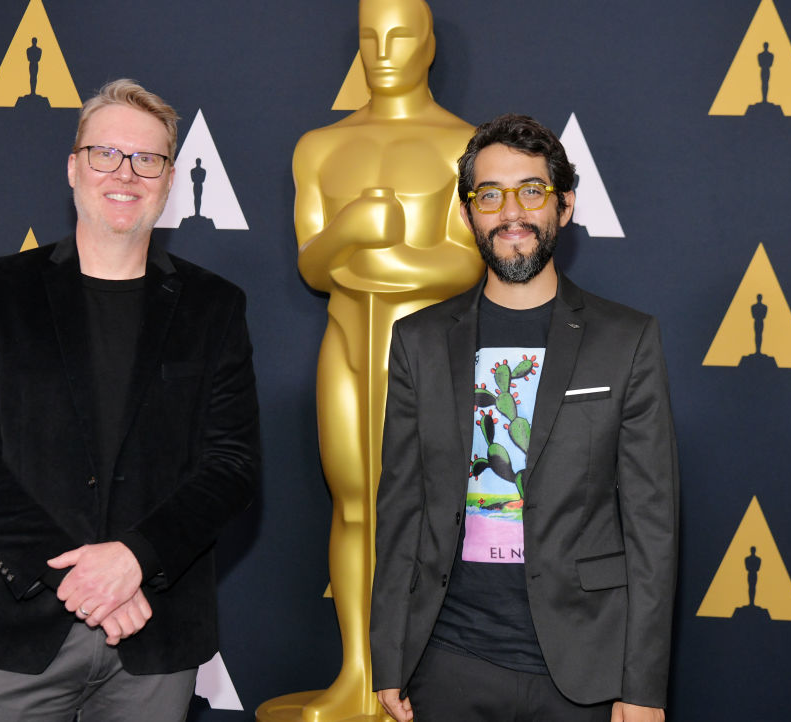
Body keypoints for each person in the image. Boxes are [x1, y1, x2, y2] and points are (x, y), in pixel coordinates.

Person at [0, 79, 259, 721]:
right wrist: (78, 578)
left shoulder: (215, 306)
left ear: (168, 182)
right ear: (74, 167)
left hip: (155, 641)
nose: (126, 173)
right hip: (13, 629)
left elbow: (233, 465)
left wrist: (136, 557)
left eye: (148, 159)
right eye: (106, 153)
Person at [370, 114, 679, 722]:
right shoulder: (419, 342)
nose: (511, 212)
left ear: (564, 206)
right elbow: (400, 510)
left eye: (531, 190)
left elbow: (653, 528)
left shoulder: (627, 339)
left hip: (584, 670)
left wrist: (642, 685)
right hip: (447, 662)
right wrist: (389, 656)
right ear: (467, 214)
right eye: (490, 194)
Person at [289, 0, 482, 716]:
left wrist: (383, 254)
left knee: (430, 515)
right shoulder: (318, 147)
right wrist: (352, 229)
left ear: (429, 44)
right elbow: (314, 265)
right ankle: (357, 675)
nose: (384, 50)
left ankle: (420, 681)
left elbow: (466, 265)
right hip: (344, 340)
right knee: (353, 506)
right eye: (371, 37)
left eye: (401, 35)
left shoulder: (462, 146)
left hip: (426, 354)